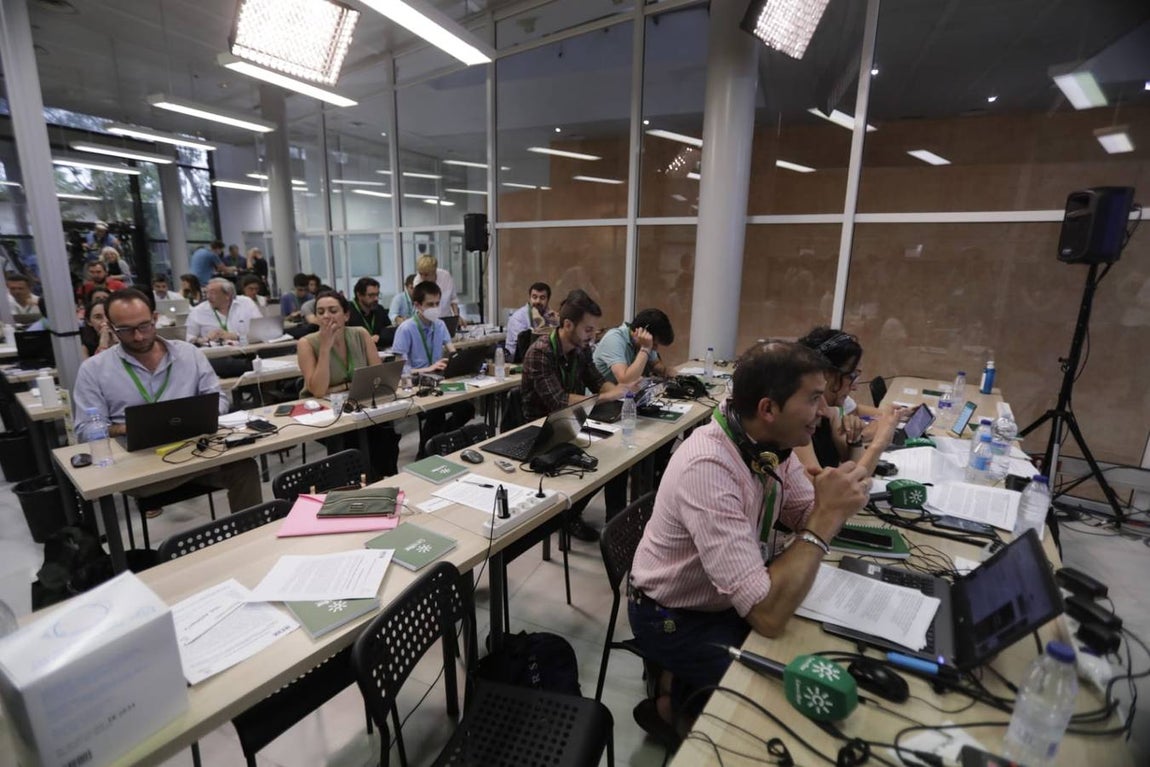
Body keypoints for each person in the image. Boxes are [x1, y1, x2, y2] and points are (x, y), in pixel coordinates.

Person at [626, 341, 885, 741]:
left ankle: (678, 688)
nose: (824, 410)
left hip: (725, 597)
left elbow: (801, 514)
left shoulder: (772, 446)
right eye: (814, 398)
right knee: (772, 701)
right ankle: (671, 695)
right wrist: (826, 517)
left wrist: (828, 505)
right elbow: (766, 614)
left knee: (814, 649)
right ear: (768, 409)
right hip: (674, 615)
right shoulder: (709, 466)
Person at [72, 288, 262, 515]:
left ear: (154, 318)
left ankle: (250, 532)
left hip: (195, 449)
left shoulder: (188, 354)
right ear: (111, 328)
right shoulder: (94, 369)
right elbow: (84, 429)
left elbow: (218, 398)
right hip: (140, 466)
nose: (138, 336)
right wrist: (130, 427)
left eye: (144, 326)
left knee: (245, 467)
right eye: (126, 330)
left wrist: (196, 416)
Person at [520, 290, 635, 540]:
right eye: (588, 330)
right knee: (599, 462)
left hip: (569, 424)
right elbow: (558, 401)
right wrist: (608, 396)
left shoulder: (580, 350)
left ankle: (616, 526)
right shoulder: (540, 352)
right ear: (568, 324)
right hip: (538, 434)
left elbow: (597, 382)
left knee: (617, 459)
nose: (592, 336)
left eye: (594, 330)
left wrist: (620, 390)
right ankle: (568, 518)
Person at [296, 290, 401, 477]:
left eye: (332, 310)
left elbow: (377, 377)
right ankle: (358, 483)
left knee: (385, 432)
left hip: (357, 403)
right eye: (320, 312)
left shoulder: (360, 334)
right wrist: (326, 347)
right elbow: (319, 390)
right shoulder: (307, 343)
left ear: (346, 315)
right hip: (323, 412)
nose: (326, 316)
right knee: (352, 440)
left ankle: (381, 481)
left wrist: (339, 387)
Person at [391, 281, 474, 457]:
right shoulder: (406, 329)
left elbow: (452, 351)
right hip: (416, 384)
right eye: (430, 304)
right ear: (417, 305)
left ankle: (438, 442)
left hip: (439, 380)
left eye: (437, 303)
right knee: (436, 412)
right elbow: (400, 370)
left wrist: (461, 361)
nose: (435, 308)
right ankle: (425, 453)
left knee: (467, 408)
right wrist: (428, 368)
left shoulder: (440, 325)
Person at [593, 308, 677, 385]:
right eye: (654, 344)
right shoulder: (614, 339)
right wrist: (645, 348)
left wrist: (665, 370)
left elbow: (655, 364)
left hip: (622, 395)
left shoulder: (645, 341)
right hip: (598, 396)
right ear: (641, 332)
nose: (655, 348)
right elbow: (625, 381)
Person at [185, 278, 261, 345]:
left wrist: (236, 336)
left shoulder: (246, 303)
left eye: (212, 293)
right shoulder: (198, 311)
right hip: (218, 356)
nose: (208, 297)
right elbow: (187, 337)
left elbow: (262, 331)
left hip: (249, 351)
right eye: (206, 292)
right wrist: (203, 340)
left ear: (227, 295)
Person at [505, 282, 559, 359]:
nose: (537, 301)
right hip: (517, 360)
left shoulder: (548, 315)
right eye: (534, 297)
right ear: (529, 298)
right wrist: (541, 325)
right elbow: (523, 347)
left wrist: (556, 323)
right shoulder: (519, 317)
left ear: (548, 300)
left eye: (542, 298)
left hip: (540, 357)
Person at [347, 277, 391, 348]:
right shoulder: (347, 312)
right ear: (359, 295)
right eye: (371, 295)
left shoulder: (379, 309)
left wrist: (380, 338)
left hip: (380, 352)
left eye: (377, 295)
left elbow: (390, 332)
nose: (376, 299)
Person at [416, 254, 460, 320]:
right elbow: (419, 307)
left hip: (446, 318)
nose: (422, 277)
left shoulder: (446, 276)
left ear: (434, 271)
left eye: (426, 274)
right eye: (420, 274)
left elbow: (453, 299)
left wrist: (456, 318)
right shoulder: (417, 282)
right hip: (427, 320)